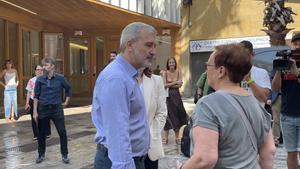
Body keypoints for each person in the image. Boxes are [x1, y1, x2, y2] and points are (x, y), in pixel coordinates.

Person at [177, 43, 275, 169]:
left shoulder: (208, 104)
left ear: (221, 71)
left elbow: (204, 159)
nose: (206, 70)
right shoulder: (256, 104)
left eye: (208, 66)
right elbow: (269, 152)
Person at [91, 22, 157, 169]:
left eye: (155, 46)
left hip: (132, 159)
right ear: (130, 45)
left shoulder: (127, 75)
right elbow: (118, 135)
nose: (153, 51)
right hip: (120, 162)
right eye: (148, 45)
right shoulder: (117, 78)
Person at [33, 57, 71, 164]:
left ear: (52, 66)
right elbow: (36, 96)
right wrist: (35, 112)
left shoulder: (60, 78)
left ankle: (65, 155)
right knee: (41, 133)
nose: (44, 67)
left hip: (56, 109)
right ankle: (41, 154)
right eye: (43, 65)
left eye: (46, 65)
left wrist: (66, 101)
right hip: (43, 109)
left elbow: (68, 89)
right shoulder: (40, 79)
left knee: (62, 132)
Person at [272, 33, 300, 169]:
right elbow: (275, 88)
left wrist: (297, 73)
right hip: (287, 115)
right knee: (291, 152)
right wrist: (279, 70)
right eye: (295, 44)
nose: (297, 47)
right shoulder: (285, 61)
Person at [137, 67, 167, 169]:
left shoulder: (156, 80)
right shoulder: (122, 79)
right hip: (128, 148)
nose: (152, 52)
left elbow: (162, 113)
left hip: (150, 145)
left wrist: (150, 133)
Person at [162, 57, 188, 144]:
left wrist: (171, 84)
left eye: (173, 62)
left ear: (175, 63)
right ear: (168, 64)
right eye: (170, 63)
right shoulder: (165, 73)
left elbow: (180, 84)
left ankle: (177, 138)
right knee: (167, 115)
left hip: (176, 97)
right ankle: (165, 138)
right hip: (168, 97)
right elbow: (164, 85)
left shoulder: (179, 71)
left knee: (177, 114)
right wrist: (175, 83)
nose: (171, 64)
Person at [240, 40, 271, 106]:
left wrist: (250, 80)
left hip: (257, 114)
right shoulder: (232, 73)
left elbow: (265, 99)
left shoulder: (262, 72)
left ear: (252, 54)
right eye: (241, 55)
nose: (244, 58)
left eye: (247, 55)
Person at [25, 65, 51, 141]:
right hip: (33, 100)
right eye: (38, 70)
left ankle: (47, 133)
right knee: (34, 118)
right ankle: (36, 134)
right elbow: (29, 92)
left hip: (43, 101)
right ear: (35, 71)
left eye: (41, 70)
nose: (39, 71)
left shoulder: (46, 80)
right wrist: (27, 103)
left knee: (45, 117)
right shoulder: (31, 80)